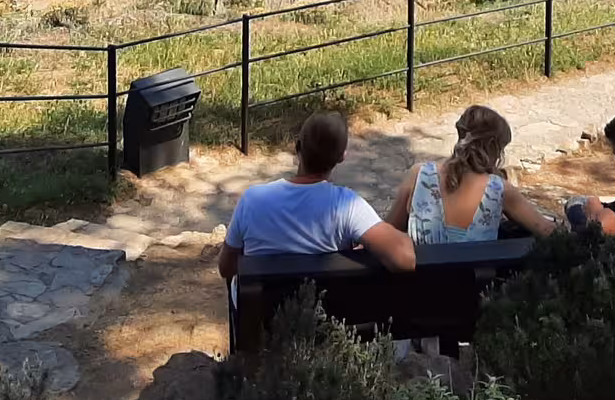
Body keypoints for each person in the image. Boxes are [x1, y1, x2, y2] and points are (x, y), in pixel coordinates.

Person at [217, 112, 415, 284]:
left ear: (297, 147)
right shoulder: (347, 205)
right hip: (318, 321)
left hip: (259, 321)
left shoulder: (252, 200)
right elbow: (405, 259)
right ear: (341, 157)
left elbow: (226, 268)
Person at [383, 105, 556, 243]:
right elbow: (545, 229)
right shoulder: (498, 190)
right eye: (501, 149)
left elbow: (388, 231)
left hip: (419, 284)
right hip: (475, 286)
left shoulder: (419, 175)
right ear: (491, 145)